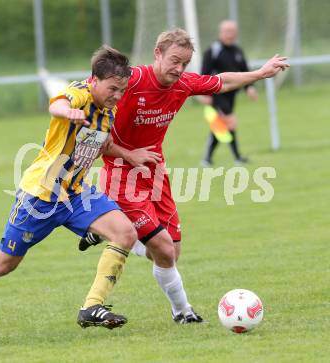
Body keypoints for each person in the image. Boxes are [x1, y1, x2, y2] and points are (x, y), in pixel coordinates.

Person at [78, 28, 288, 324]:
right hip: (122, 173)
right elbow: (89, 87)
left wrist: (259, 73)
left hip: (155, 172)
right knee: (161, 246)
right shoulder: (133, 79)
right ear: (157, 54)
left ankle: (109, 230)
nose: (179, 69)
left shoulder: (183, 84)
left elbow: (221, 81)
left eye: (185, 63)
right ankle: (183, 312)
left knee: (170, 252)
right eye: (174, 60)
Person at [0, 46, 137, 336]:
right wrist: (67, 112)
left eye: (122, 90)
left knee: (125, 233)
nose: (118, 96)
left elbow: (100, 144)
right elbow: (57, 103)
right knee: (4, 264)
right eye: (113, 88)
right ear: (94, 80)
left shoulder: (109, 112)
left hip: (76, 194)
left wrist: (131, 156)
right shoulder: (79, 94)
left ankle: (92, 306)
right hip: (40, 197)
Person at [201, 20, 259, 166]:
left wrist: (249, 87)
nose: (230, 34)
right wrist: (204, 94)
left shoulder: (237, 51)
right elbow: (204, 74)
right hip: (217, 94)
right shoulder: (213, 51)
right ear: (220, 33)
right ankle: (237, 157)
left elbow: (245, 71)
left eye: (232, 31)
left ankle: (207, 158)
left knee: (222, 125)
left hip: (231, 95)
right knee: (230, 122)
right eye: (227, 31)